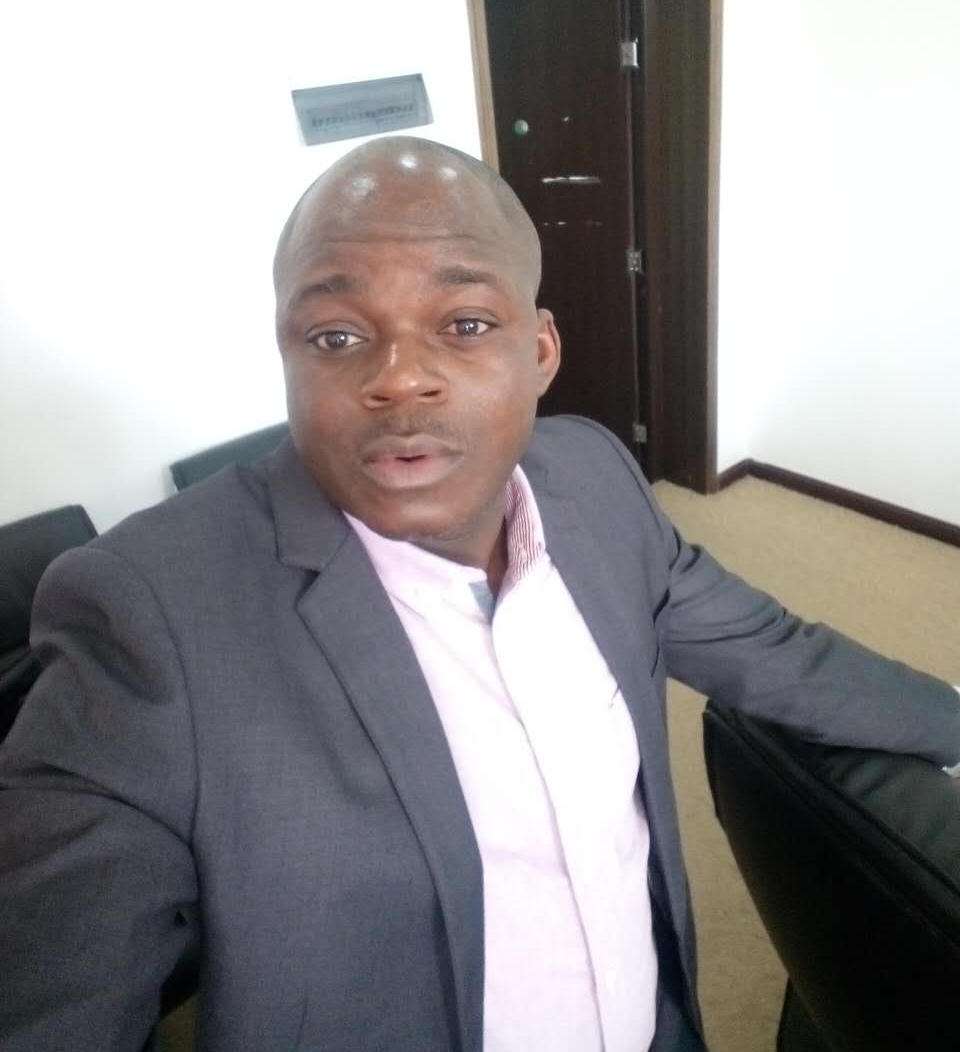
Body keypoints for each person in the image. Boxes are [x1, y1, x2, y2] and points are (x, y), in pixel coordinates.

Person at [0, 137, 957, 1052]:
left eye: (463, 325)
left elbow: (776, 652)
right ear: (287, 355)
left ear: (539, 351)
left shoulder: (594, 479)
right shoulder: (145, 620)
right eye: (336, 335)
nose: (400, 379)